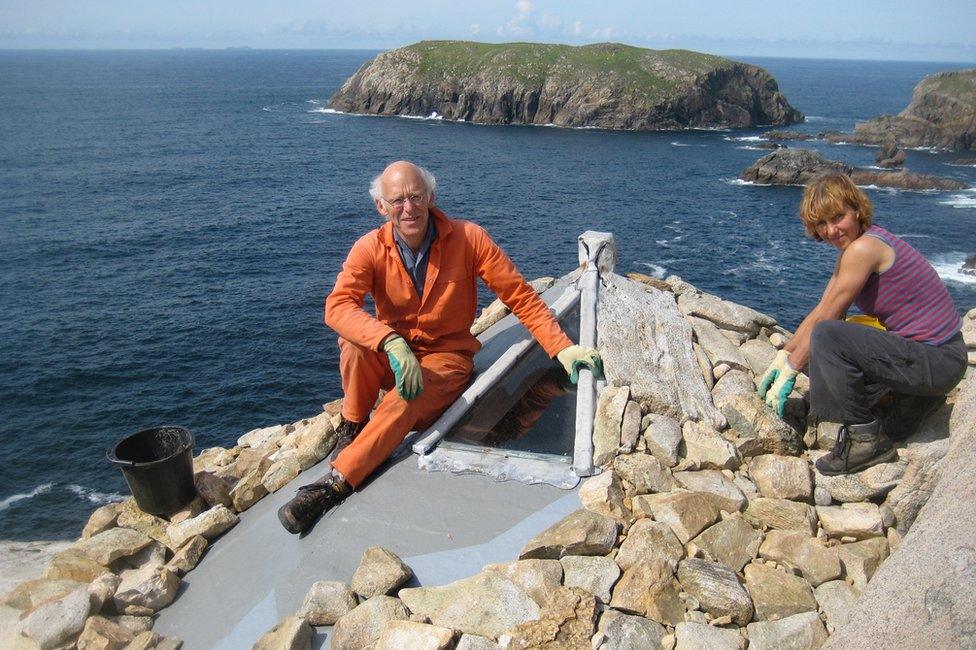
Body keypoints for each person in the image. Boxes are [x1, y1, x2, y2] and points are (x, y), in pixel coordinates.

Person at [278, 161, 603, 534]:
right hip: (396, 353)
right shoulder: (369, 248)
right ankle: (353, 426)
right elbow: (337, 307)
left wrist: (561, 348)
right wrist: (389, 340)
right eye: (397, 200)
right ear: (381, 208)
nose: (409, 208)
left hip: (446, 360)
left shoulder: (469, 238)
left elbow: (519, 296)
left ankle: (335, 483)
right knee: (353, 343)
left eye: (416, 196)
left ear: (431, 197)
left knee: (406, 396)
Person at [758, 172, 966, 476]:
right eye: (821, 223)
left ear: (856, 210)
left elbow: (826, 323)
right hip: (939, 359)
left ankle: (864, 440)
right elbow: (822, 308)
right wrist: (783, 358)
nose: (831, 230)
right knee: (833, 358)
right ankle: (915, 401)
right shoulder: (854, 250)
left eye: (838, 217)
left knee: (830, 338)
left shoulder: (863, 249)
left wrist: (793, 368)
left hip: (939, 360)